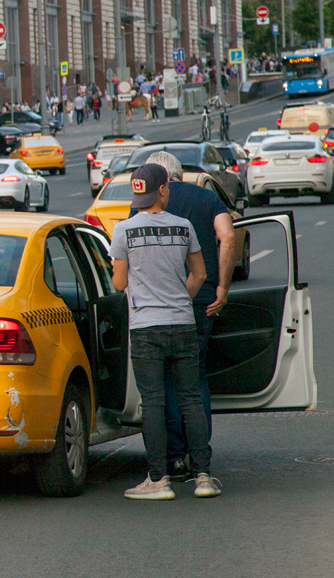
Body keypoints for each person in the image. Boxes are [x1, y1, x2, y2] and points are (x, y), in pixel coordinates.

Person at [111, 163, 218, 501]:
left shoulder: (123, 230)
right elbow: (199, 274)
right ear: (163, 190)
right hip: (183, 322)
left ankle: (158, 479)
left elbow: (118, 282)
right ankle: (203, 476)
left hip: (145, 327)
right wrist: (179, 300)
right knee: (190, 398)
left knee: (154, 402)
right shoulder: (183, 226)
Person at [132, 151, 235, 483]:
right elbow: (228, 237)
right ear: (178, 174)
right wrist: (222, 287)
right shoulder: (206, 196)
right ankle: (199, 459)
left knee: (160, 386)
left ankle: (170, 459)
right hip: (201, 301)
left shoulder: (141, 206)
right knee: (194, 382)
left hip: (155, 307)